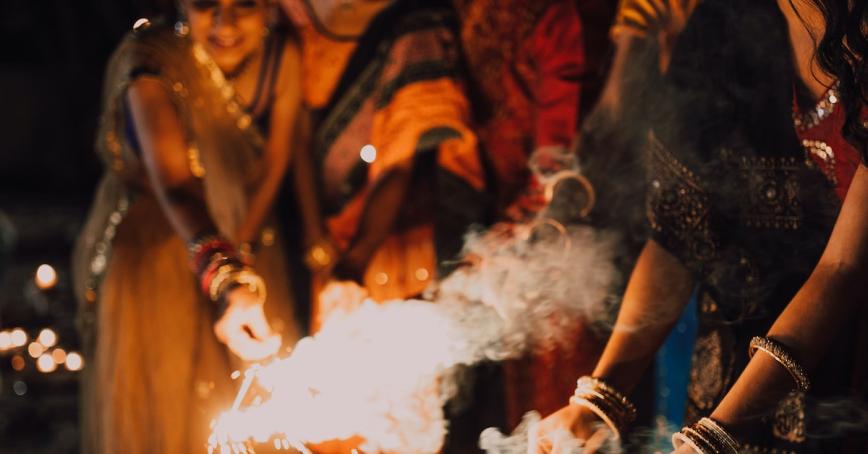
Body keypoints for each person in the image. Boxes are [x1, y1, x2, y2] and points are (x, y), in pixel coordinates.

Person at [533, 0, 866, 452]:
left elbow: (844, 268)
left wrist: (715, 439)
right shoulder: (722, 23)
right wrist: (597, 402)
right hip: (736, 348)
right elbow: (678, 231)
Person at [72, 0, 303, 451]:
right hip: (161, 250)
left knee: (250, 405)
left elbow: (276, 163)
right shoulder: (150, 63)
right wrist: (228, 273)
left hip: (247, 236)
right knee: (168, 402)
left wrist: (244, 253)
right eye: (205, 4)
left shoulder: (281, 55)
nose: (225, 22)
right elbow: (176, 186)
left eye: (245, 5)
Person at [279, 0, 489, 327]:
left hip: (396, 236)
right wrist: (313, 230)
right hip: (332, 235)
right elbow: (300, 131)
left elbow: (398, 164)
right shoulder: (298, 11)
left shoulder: (414, 22)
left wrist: (356, 261)